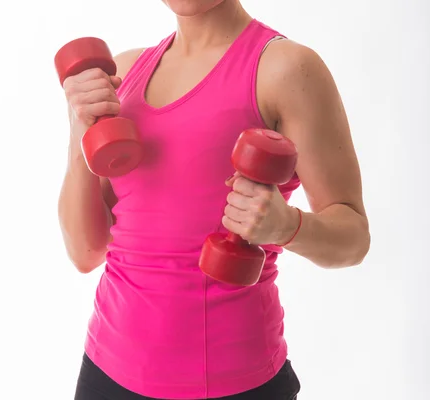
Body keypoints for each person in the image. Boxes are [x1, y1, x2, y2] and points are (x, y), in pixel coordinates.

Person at [57, 1, 371, 399]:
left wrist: (288, 226)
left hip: (234, 381)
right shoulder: (124, 74)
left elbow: (354, 237)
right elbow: (85, 251)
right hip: (106, 373)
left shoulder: (286, 68)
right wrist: (78, 130)